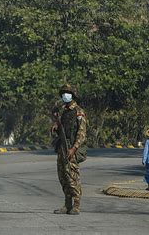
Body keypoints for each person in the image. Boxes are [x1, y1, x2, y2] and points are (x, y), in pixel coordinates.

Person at [50, 84, 86, 215]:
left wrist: (74, 149)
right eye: (63, 93)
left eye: (68, 92)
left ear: (73, 95)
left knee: (72, 176)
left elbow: (81, 134)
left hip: (71, 148)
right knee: (63, 176)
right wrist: (55, 125)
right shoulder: (63, 112)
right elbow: (60, 127)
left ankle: (76, 205)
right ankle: (67, 204)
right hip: (62, 147)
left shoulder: (78, 112)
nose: (65, 95)